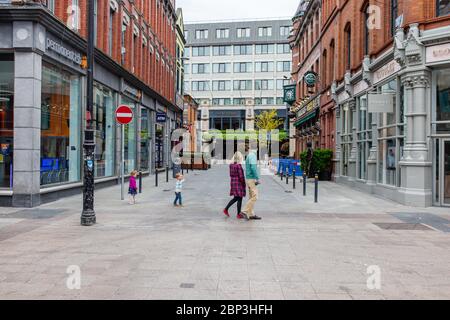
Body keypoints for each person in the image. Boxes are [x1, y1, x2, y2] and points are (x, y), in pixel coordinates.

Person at [241, 144, 262, 220]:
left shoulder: (249, 155)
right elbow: (253, 168)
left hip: (248, 178)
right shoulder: (252, 156)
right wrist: (257, 178)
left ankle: (251, 214)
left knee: (251, 196)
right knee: (255, 196)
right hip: (251, 179)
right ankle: (244, 210)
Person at [223, 151, 246, 219]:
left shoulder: (231, 165)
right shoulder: (238, 166)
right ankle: (237, 213)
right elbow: (241, 176)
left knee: (237, 198)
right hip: (238, 183)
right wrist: (244, 183)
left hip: (233, 182)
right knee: (239, 198)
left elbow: (231, 174)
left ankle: (235, 212)